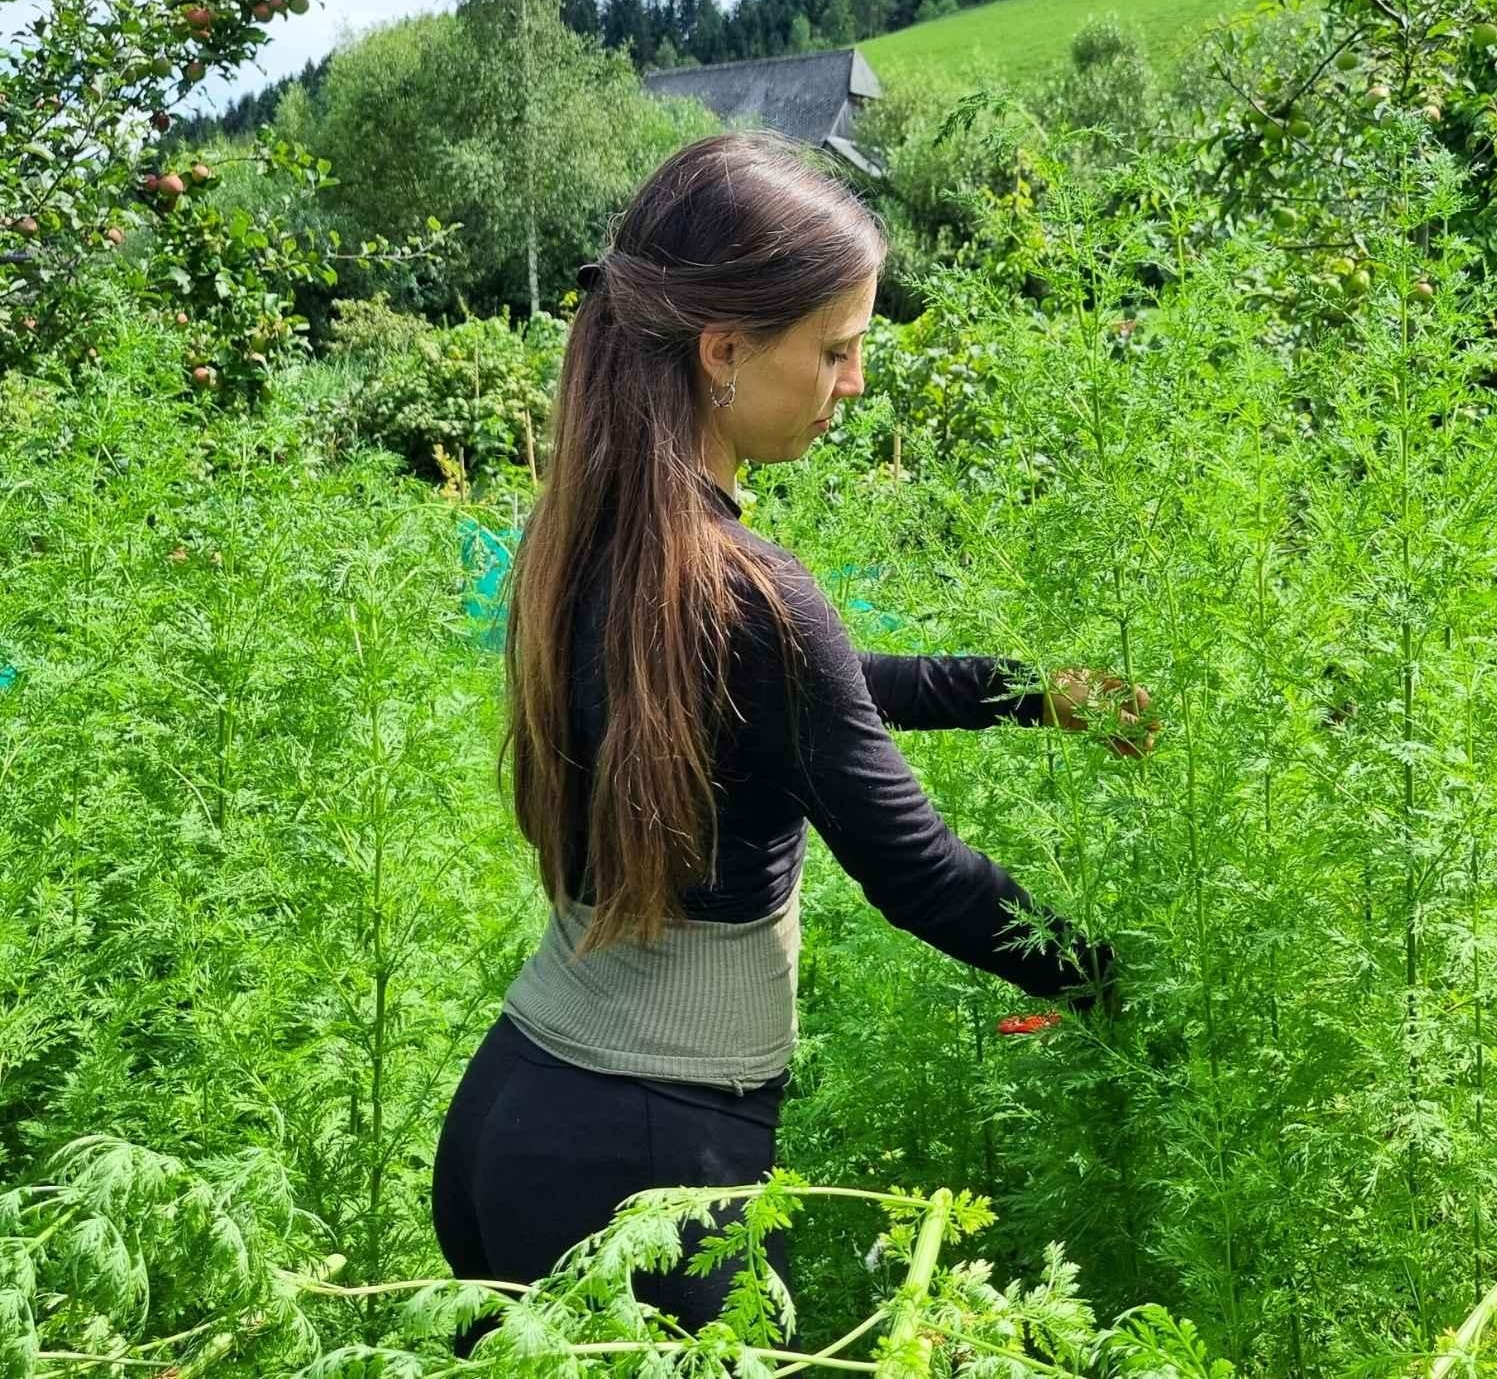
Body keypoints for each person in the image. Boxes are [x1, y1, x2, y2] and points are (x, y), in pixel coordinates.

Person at [430, 129, 1155, 1360]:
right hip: (646, 1169)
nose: (855, 382)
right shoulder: (748, 590)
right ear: (724, 352)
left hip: (508, 1119)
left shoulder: (585, 533)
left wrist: (1032, 693)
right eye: (835, 347)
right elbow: (921, 873)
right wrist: (1128, 993)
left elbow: (809, 699)